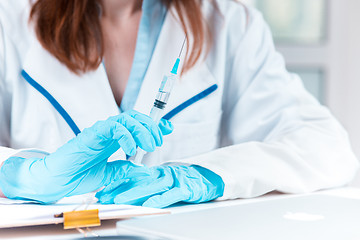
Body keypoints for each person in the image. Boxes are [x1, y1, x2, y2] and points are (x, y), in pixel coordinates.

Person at [0, 0, 358, 208]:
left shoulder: (229, 20)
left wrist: (210, 176)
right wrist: (19, 174)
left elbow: (326, 146)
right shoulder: (9, 20)